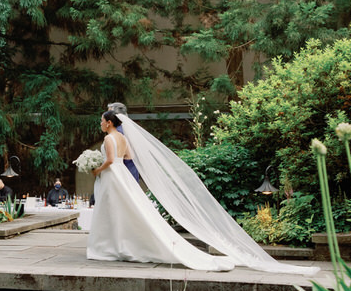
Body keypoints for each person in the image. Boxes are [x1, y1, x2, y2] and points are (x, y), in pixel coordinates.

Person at [86, 110, 315, 274]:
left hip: (112, 177)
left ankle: (111, 247)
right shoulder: (124, 138)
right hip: (123, 177)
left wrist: (95, 169)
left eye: (102, 121)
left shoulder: (108, 138)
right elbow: (129, 158)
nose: (100, 124)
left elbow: (108, 160)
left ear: (109, 123)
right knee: (130, 211)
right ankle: (119, 245)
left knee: (113, 211)